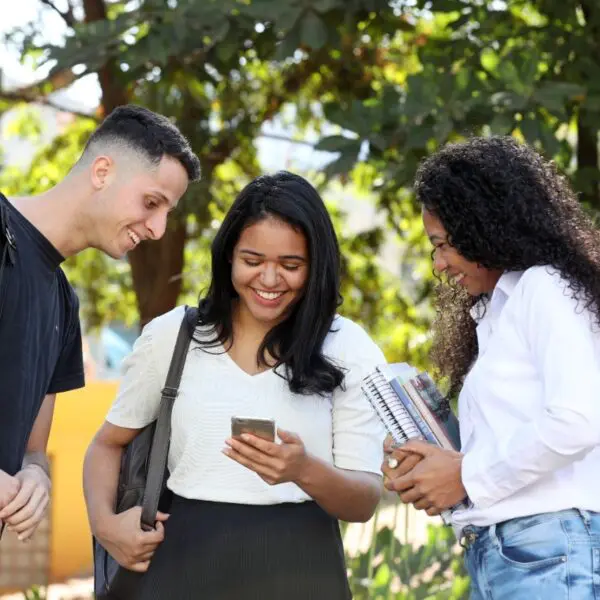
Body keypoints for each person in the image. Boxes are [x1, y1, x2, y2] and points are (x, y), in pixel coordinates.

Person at [83, 171, 385, 599]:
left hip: (302, 570)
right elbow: (106, 444)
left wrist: (302, 470)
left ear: (316, 266)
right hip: (182, 564)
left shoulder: (348, 347)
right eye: (252, 260)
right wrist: (106, 526)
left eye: (290, 265)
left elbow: (365, 501)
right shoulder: (175, 336)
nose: (268, 279)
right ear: (228, 257)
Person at [382, 136, 600, 599]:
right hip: (510, 552)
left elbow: (578, 420)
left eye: (443, 245)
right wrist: (432, 459)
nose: (439, 264)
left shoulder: (545, 288)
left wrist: (464, 475)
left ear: (484, 226)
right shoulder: (497, 311)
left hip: (547, 550)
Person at [0, 104, 200, 542]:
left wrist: (37, 477)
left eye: (167, 211)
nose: (159, 229)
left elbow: (33, 450)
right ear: (102, 171)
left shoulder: (62, 305)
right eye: (152, 203)